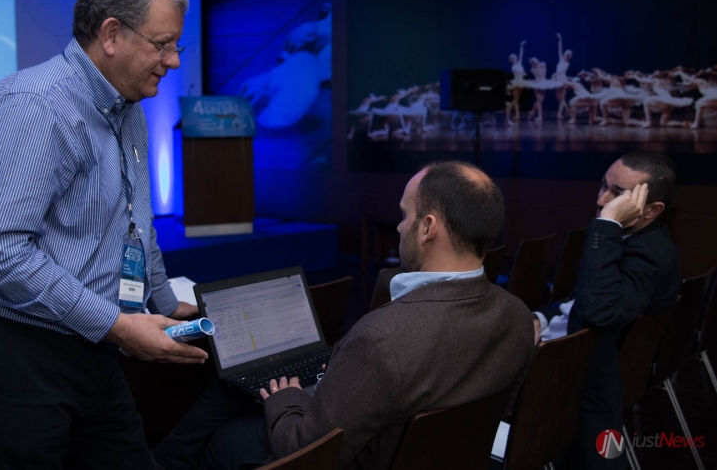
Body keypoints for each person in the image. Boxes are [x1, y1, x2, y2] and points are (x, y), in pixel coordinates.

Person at [0, 0, 209, 470]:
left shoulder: (129, 112)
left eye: (176, 47)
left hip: (90, 340)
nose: (173, 61)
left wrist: (165, 305)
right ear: (111, 34)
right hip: (6, 348)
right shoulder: (36, 105)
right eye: (163, 44)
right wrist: (118, 327)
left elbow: (135, 226)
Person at [156, 161, 535, 470]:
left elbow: (303, 450)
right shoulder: (518, 316)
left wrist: (286, 399)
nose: (400, 226)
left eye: (405, 215)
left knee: (224, 438)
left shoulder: (382, 340)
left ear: (428, 228)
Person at [532, 152, 680, 469]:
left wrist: (607, 224)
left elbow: (598, 312)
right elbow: (579, 299)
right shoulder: (628, 239)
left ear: (652, 210)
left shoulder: (647, 255)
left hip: (567, 373)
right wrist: (540, 318)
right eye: (604, 186)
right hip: (558, 344)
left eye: (619, 194)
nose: (602, 200)